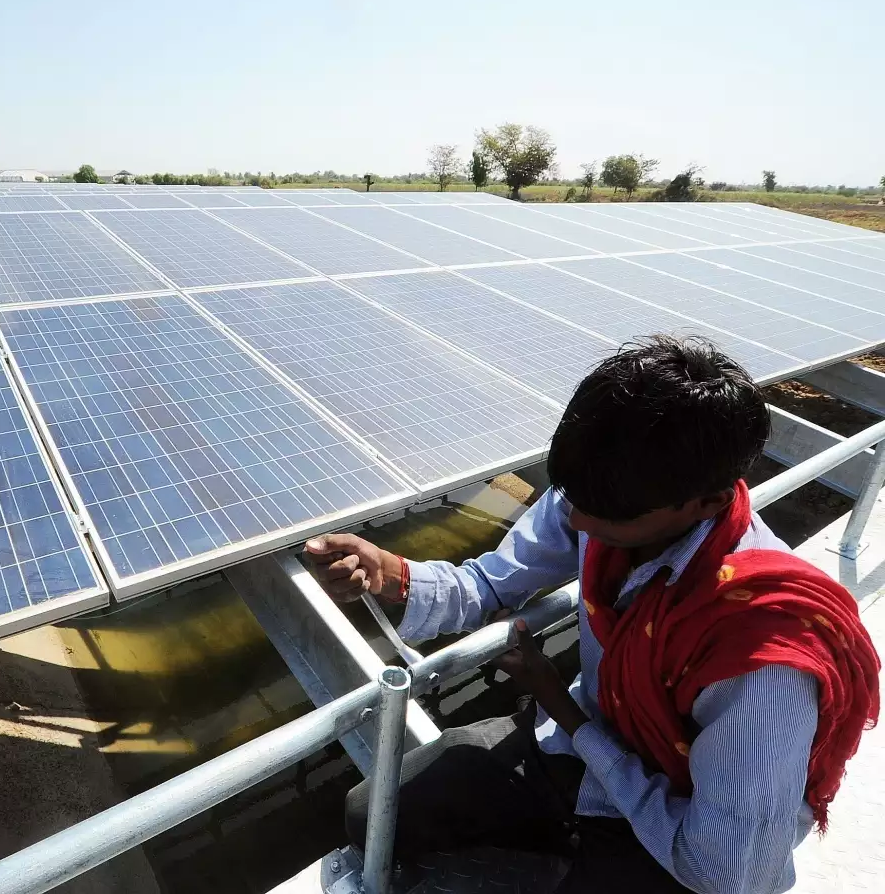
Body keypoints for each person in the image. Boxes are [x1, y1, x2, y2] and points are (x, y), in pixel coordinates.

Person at [306, 336, 880, 894]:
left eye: (605, 515)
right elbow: (489, 583)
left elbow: (727, 874)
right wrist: (392, 575)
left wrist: (567, 713)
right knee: (372, 816)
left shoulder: (761, 654)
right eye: (572, 498)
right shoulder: (604, 492)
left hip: (679, 818)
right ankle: (569, 840)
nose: (577, 525)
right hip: (583, 742)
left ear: (708, 501)